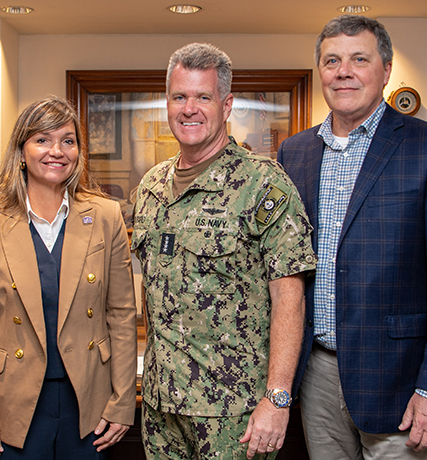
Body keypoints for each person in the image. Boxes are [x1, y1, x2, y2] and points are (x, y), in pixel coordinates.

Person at [277, 15, 427, 459]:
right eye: (331, 61)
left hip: (402, 380)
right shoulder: (295, 152)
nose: (343, 71)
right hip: (318, 374)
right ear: (320, 73)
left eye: (359, 59)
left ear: (386, 70)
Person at [131, 42, 317, 460]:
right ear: (167, 103)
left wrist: (278, 398)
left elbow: (289, 296)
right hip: (162, 406)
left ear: (226, 105)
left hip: (234, 412)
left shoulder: (263, 185)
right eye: (180, 96)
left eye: (203, 97)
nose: (189, 108)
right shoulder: (151, 187)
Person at [0, 96, 137, 459]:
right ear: (21, 151)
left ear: (78, 152)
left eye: (68, 141)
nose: (57, 151)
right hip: (13, 402)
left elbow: (121, 314)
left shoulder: (105, 216)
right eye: (42, 139)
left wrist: (122, 401)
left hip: (88, 402)